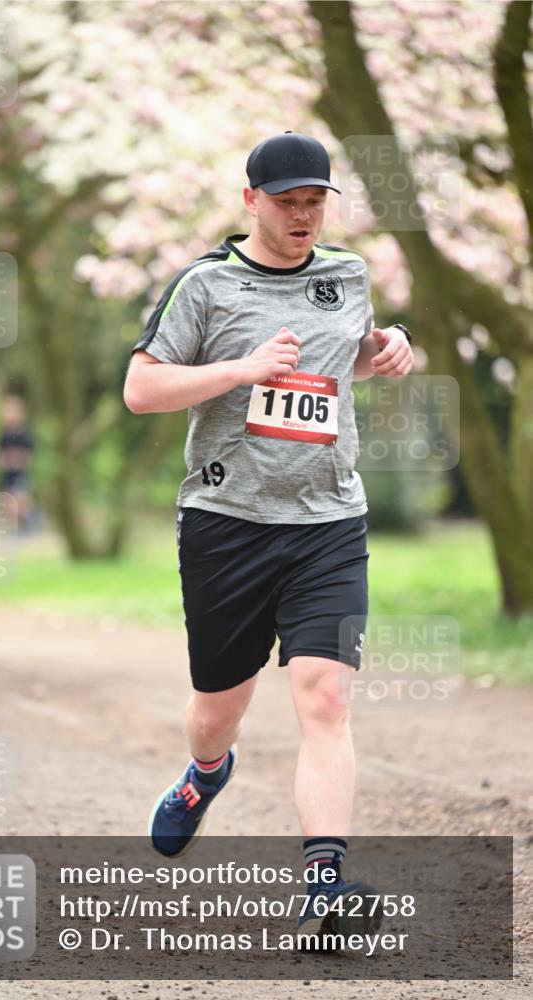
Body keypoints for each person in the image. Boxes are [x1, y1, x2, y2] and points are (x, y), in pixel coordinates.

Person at [123, 132, 413, 937]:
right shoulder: (206, 287)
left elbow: (339, 361)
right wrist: (237, 371)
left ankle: (324, 884)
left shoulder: (346, 274)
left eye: (314, 202)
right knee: (219, 709)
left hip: (327, 522)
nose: (302, 216)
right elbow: (140, 389)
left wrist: (389, 351)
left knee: (322, 695)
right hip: (227, 525)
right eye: (287, 203)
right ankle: (203, 774)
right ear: (250, 201)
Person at [0, 396, 35, 532]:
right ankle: (25, 522)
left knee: (20, 500)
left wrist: (18, 462)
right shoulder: (4, 436)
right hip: (8, 475)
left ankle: (28, 521)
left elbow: (28, 456)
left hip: (20, 474)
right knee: (9, 504)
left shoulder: (24, 435)